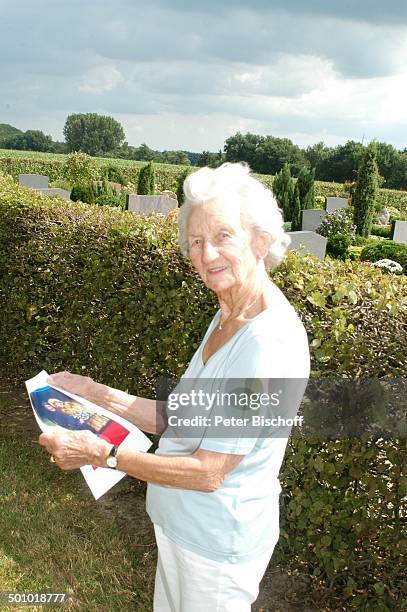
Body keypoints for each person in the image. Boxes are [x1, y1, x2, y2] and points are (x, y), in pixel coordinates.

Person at [39, 162, 310, 611]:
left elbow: (209, 471)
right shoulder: (228, 315)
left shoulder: (267, 343)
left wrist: (102, 454)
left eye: (223, 236)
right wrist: (93, 391)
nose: (206, 255)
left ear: (261, 241)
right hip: (183, 530)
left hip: (215, 548)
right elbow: (180, 416)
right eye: (197, 241)